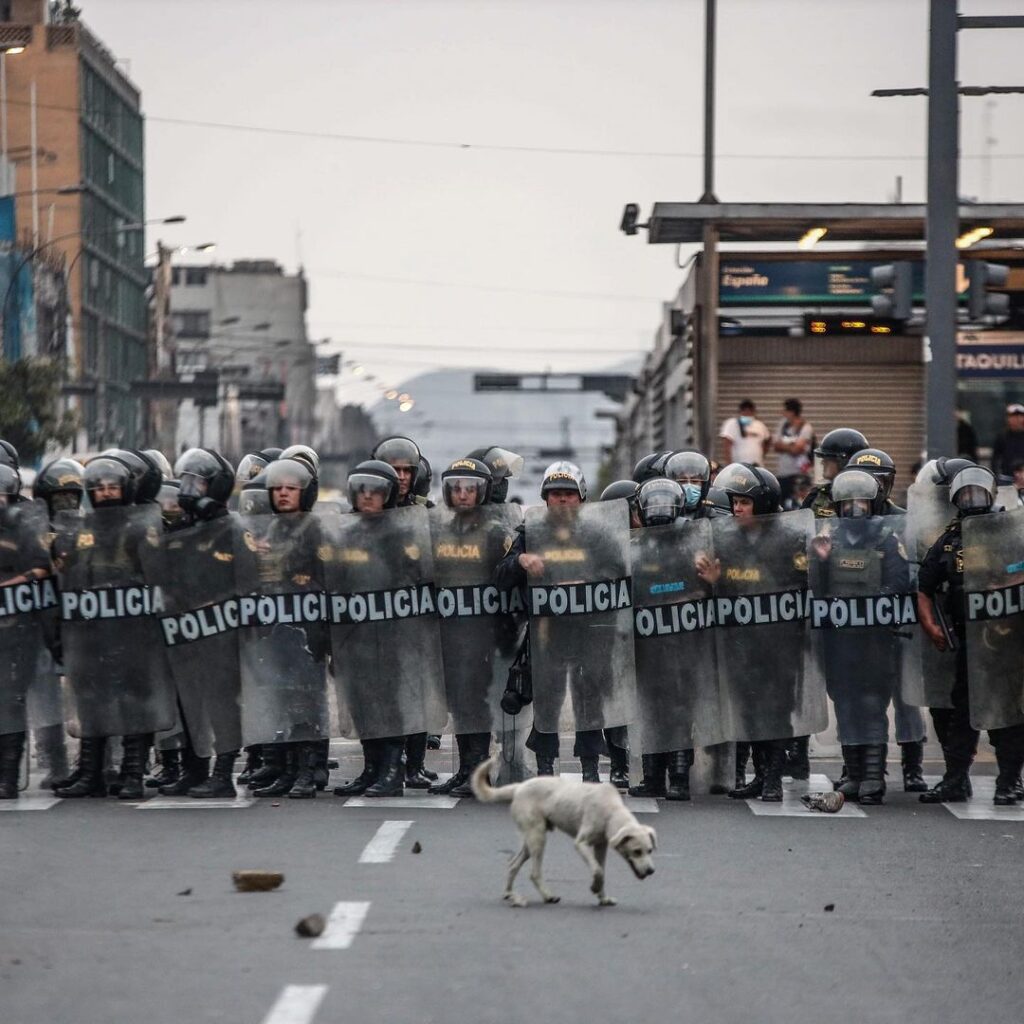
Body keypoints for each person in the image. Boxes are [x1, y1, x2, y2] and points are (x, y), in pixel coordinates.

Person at [494, 461, 631, 786]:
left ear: (581, 497)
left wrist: (589, 580)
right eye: (555, 494)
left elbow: (622, 571)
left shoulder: (598, 533)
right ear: (545, 498)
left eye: (569, 494)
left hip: (591, 632)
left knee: (590, 698)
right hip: (546, 633)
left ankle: (589, 767)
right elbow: (500, 576)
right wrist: (520, 561)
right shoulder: (530, 532)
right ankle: (545, 767)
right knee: (548, 700)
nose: (562, 500)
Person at [696, 463, 807, 802]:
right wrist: (715, 581)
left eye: (744, 502)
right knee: (749, 709)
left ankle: (774, 777)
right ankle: (759, 775)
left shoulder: (790, 538)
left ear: (762, 502)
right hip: (743, 643)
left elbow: (803, 583)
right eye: (734, 502)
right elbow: (727, 589)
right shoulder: (727, 541)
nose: (737, 508)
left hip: (779, 643)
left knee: (776, 709)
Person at [916, 463, 1024, 804]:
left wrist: (1001, 584)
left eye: (979, 490)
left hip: (1003, 641)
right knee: (963, 712)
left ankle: (1009, 782)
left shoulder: (1008, 532)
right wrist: (930, 624)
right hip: (965, 641)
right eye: (966, 491)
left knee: (1005, 714)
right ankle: (955, 780)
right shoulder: (948, 541)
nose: (973, 497)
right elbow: (924, 587)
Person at [809, 470, 910, 804]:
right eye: (847, 502)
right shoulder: (830, 539)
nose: (854, 508)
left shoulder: (885, 538)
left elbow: (898, 582)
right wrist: (821, 561)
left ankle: (872, 776)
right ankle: (853, 774)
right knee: (845, 703)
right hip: (840, 639)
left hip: (875, 639)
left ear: (873, 503)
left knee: (870, 703)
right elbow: (816, 590)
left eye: (861, 502)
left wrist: (874, 603)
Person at [427, 458, 516, 797]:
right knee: (459, 702)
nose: (462, 495)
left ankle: (479, 770)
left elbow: (507, 576)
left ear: (483, 491)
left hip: (483, 633)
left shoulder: (495, 531)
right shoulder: (439, 530)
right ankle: (464, 769)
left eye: (470, 488)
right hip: (449, 632)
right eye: (456, 488)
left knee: (474, 701)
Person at [372, 435, 439, 783]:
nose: (400, 476)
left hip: (416, 617)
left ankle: (413, 766)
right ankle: (377, 767)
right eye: (393, 469)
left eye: (405, 470)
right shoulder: (365, 512)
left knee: (414, 692)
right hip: (375, 619)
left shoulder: (426, 514)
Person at [801, 428, 869, 519]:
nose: (822, 463)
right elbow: (800, 527)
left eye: (828, 459)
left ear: (845, 462)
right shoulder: (817, 495)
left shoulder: (869, 497)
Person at [772, 399, 814, 503]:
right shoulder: (783, 425)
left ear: (792, 412)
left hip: (799, 474)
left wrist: (785, 445)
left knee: (799, 503)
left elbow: (797, 449)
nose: (782, 413)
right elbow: (776, 446)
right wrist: (791, 445)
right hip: (783, 473)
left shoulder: (806, 427)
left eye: (785, 410)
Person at [719, 399, 771, 466]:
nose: (747, 415)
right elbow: (726, 445)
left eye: (750, 412)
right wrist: (729, 465)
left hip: (757, 465)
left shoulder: (760, 425)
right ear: (740, 412)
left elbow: (767, 440)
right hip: (739, 466)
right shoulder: (732, 424)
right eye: (745, 412)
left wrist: (762, 455)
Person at [990, 403, 1024, 482]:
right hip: (1006, 478)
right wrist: (997, 475)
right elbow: (995, 458)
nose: (1017, 419)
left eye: (1020, 416)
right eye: (1013, 416)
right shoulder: (1002, 437)